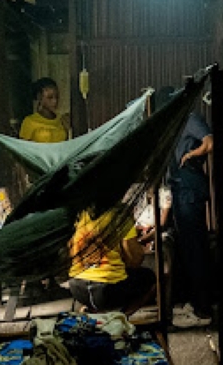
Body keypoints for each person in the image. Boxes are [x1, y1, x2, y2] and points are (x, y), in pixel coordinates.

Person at [159, 86, 215, 329]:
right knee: (190, 247)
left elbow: (210, 142)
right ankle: (198, 304)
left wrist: (192, 155)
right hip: (181, 187)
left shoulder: (191, 118)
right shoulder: (173, 124)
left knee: (194, 248)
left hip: (189, 185)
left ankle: (203, 310)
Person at [66, 206, 157, 316]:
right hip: (107, 291)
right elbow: (136, 259)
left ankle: (93, 310)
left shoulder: (77, 216)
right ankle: (122, 315)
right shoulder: (119, 216)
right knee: (150, 278)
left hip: (77, 289)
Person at [19, 77, 70, 143]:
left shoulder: (62, 120)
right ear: (39, 97)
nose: (55, 101)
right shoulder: (29, 121)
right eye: (50, 97)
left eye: (57, 97)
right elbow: (23, 149)